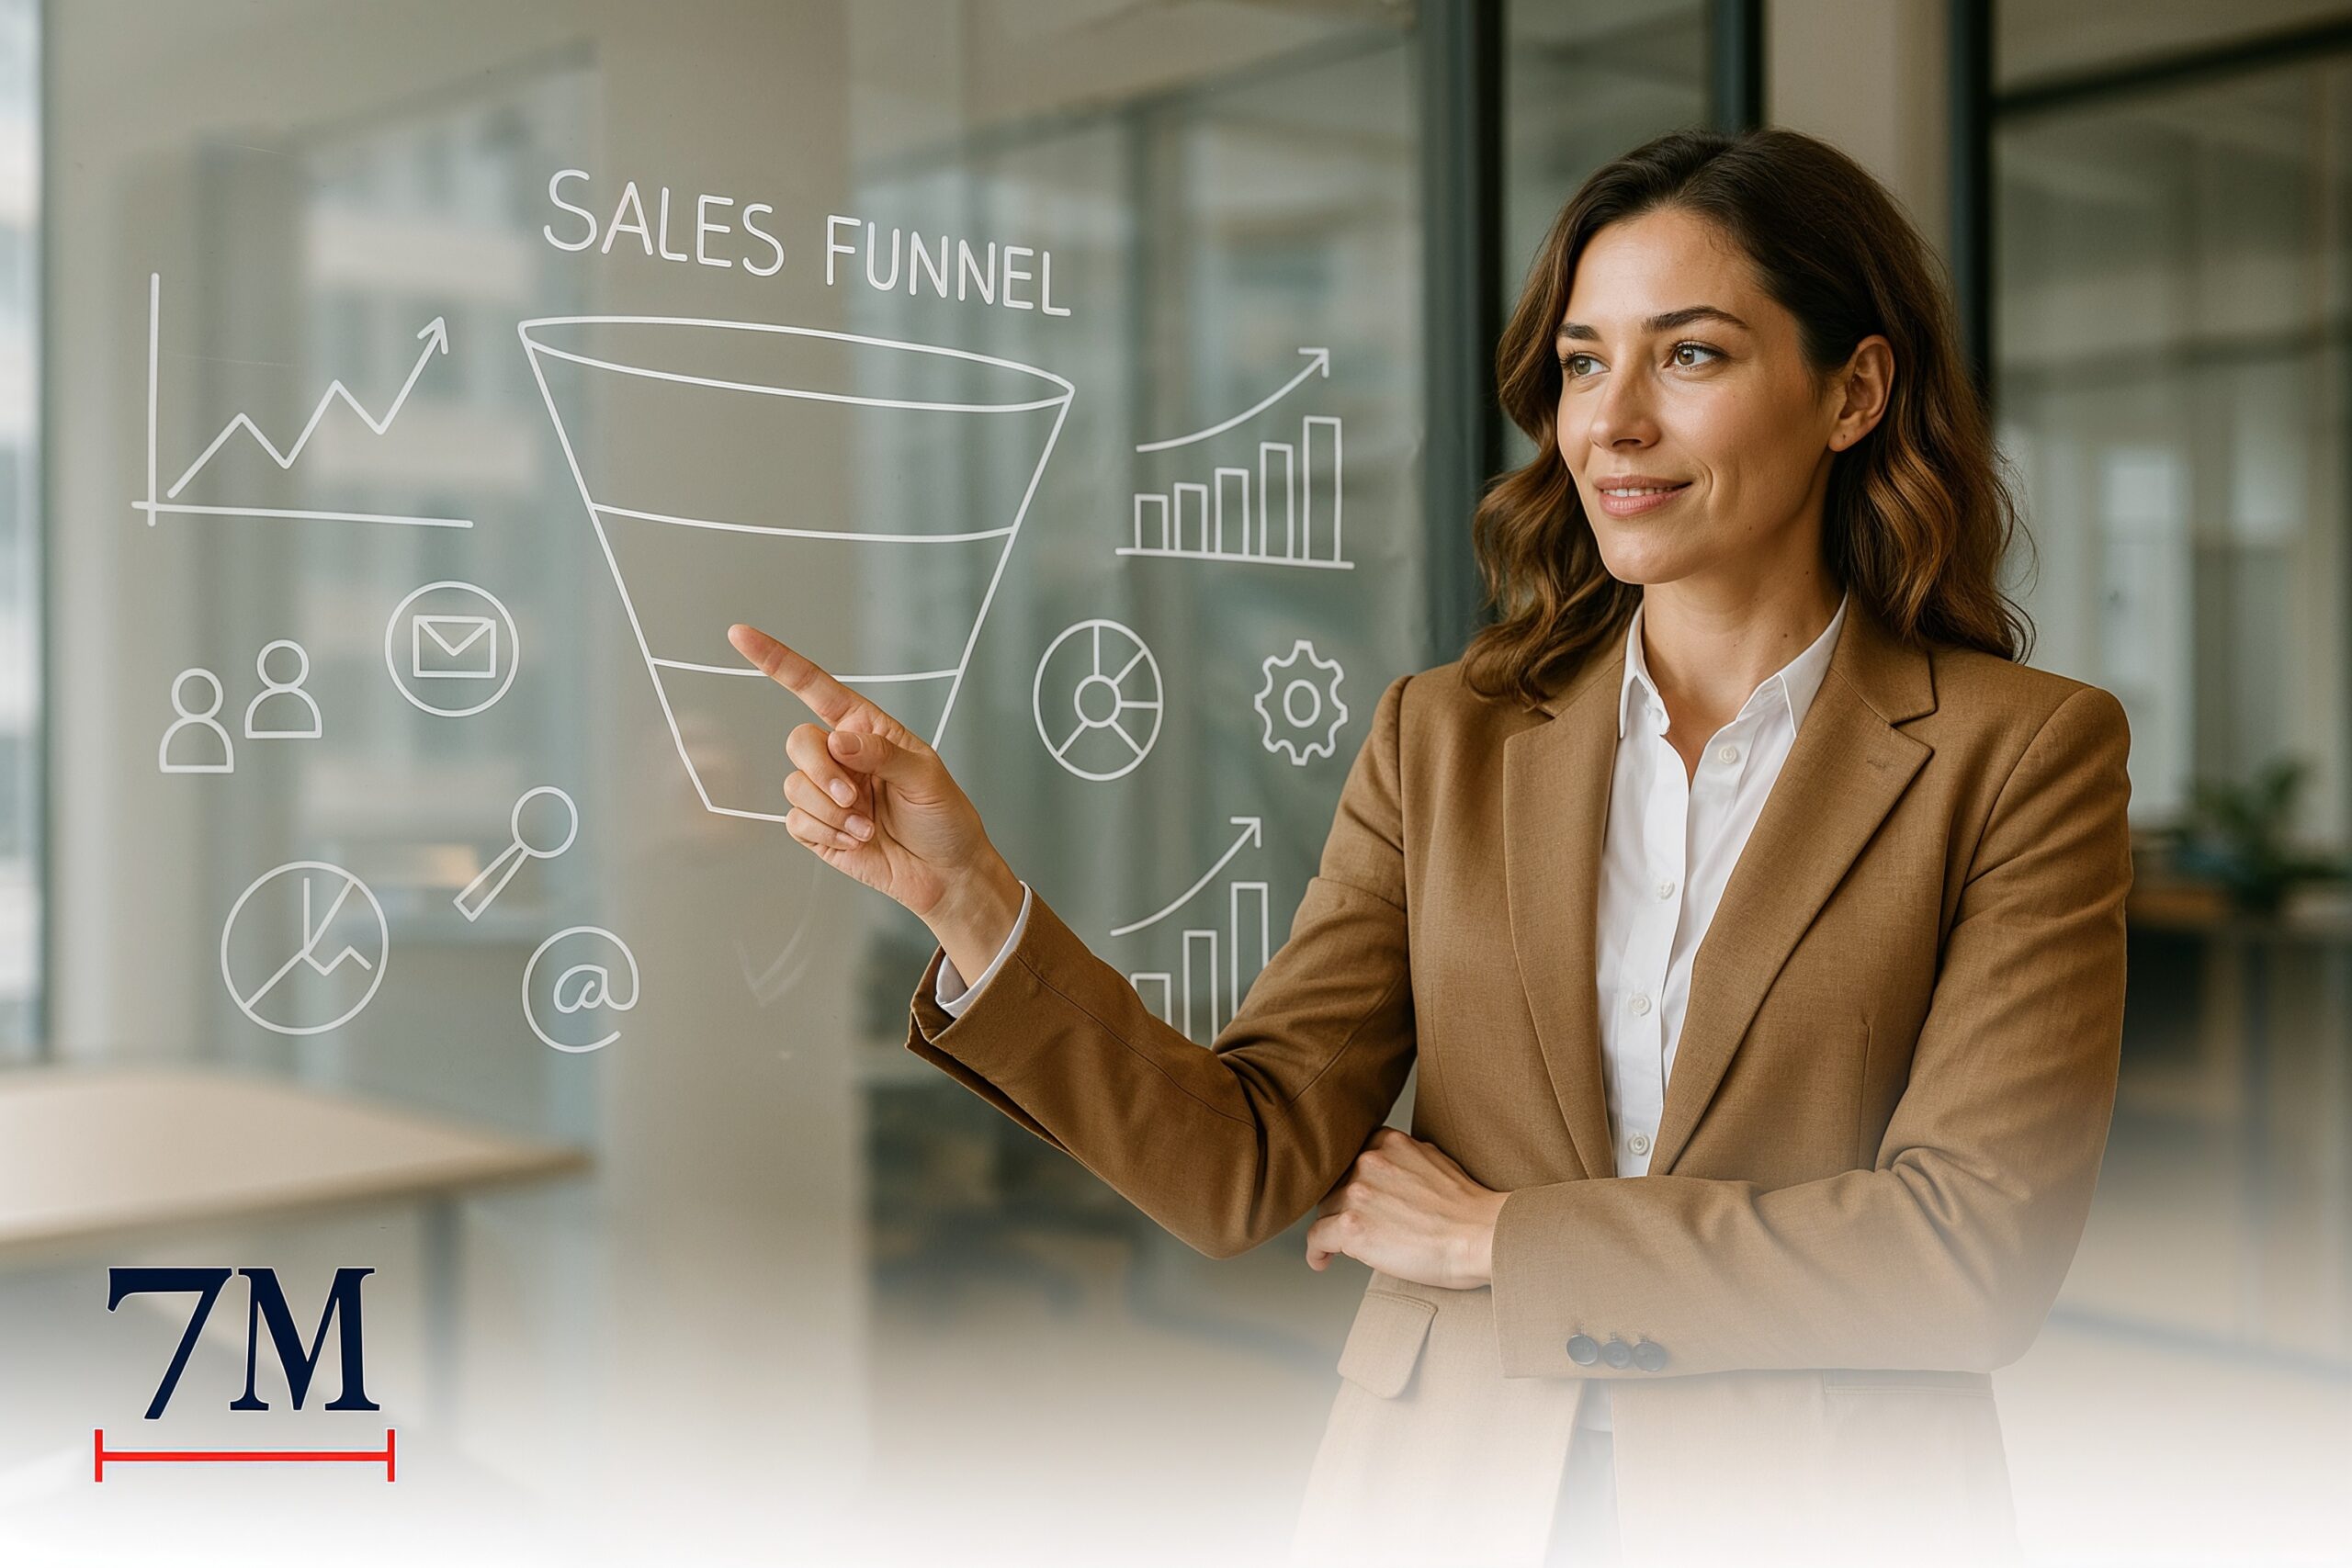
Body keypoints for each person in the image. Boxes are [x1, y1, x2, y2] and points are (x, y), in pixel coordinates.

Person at [727, 124, 2132, 1568]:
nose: (1612, 422)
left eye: (1690, 355)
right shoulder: (1445, 738)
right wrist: (969, 898)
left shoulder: (2021, 756)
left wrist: (1495, 1241)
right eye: (1583, 363)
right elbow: (1246, 1160)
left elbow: (1971, 1253)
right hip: (1449, 1490)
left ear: (1853, 392)